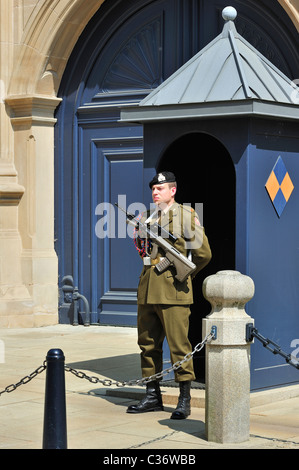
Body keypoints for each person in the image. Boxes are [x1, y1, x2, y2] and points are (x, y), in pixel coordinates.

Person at [127, 171, 212, 419]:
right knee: (147, 345)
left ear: (173, 191)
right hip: (148, 290)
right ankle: (153, 396)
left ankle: (184, 400)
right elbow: (144, 251)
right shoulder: (147, 217)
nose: (156, 192)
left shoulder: (186, 215)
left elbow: (204, 254)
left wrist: (184, 274)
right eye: (153, 189)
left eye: (161, 189)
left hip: (174, 291)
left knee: (179, 347)